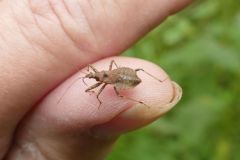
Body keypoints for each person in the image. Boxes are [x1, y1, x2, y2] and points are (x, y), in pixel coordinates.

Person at [0, 0, 191, 159]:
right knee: (122, 89)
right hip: (121, 77)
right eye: (92, 75)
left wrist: (98, 94)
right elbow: (98, 85)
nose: (92, 76)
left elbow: (101, 88)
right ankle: (144, 95)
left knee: (127, 84)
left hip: (126, 79)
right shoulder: (100, 79)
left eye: (92, 75)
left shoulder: (102, 81)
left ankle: (143, 95)